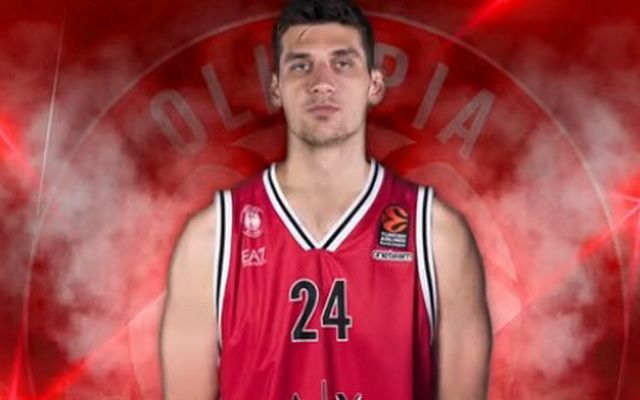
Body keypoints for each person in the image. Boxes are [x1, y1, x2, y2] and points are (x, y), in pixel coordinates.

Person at [160, 0, 492, 398]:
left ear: (374, 85)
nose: (321, 82)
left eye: (342, 63)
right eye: (301, 65)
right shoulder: (212, 239)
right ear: (276, 88)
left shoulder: (437, 237)